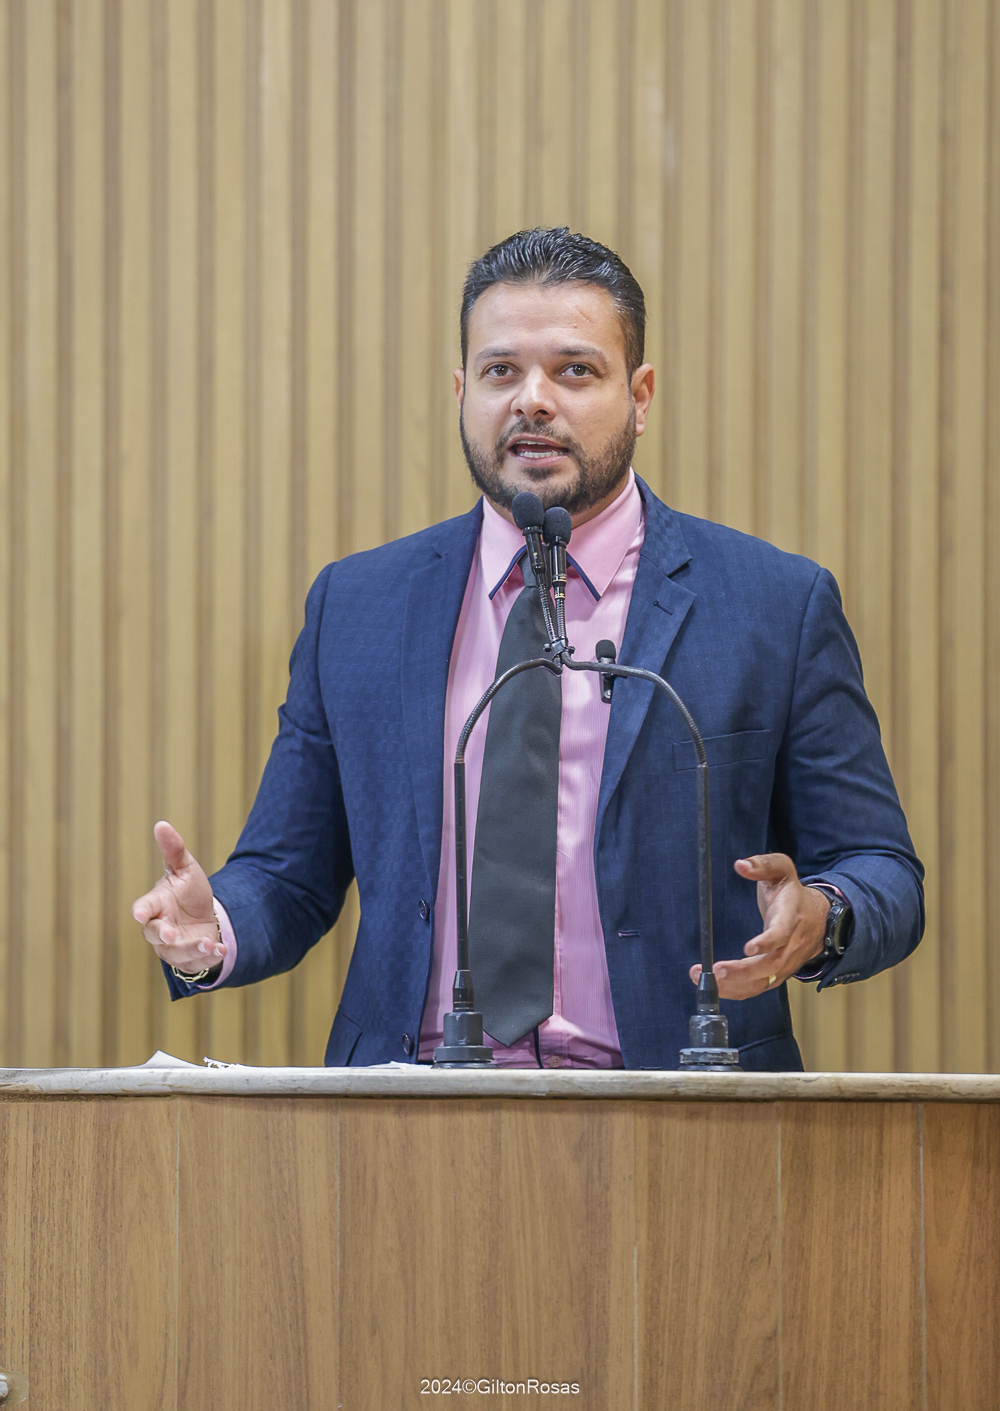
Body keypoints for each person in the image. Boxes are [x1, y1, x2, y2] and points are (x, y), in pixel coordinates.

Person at [132, 227, 923, 1071]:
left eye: (574, 370)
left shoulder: (772, 605)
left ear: (641, 395)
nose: (532, 401)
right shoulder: (358, 606)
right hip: (407, 1110)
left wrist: (825, 915)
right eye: (501, 371)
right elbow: (290, 876)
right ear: (461, 391)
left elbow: (882, 870)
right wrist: (214, 929)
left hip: (681, 1107)